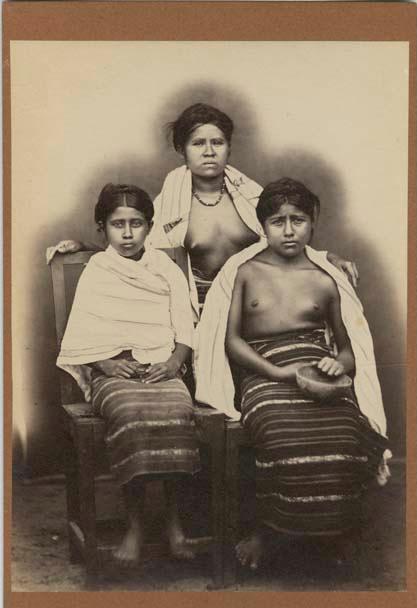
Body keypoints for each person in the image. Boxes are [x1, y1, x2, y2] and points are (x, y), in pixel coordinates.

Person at [199, 177, 390, 570]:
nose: (288, 230)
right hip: (263, 372)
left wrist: (338, 365)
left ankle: (334, 531)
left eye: (298, 220)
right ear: (262, 226)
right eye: (277, 222)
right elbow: (231, 341)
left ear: (312, 223)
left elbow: (347, 349)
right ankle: (269, 532)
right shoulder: (245, 272)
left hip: (317, 371)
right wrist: (278, 373)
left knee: (346, 428)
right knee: (278, 426)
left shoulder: (324, 279)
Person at [48, 103, 358, 319]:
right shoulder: (171, 203)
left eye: (218, 142)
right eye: (198, 143)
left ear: (228, 147)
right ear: (182, 149)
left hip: (258, 306)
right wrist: (84, 247)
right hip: (198, 312)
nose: (209, 151)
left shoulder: (252, 197)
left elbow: (289, 238)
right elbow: (134, 249)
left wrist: (330, 258)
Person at [57, 183, 200, 566]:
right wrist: (105, 363)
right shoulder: (97, 271)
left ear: (149, 227)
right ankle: (135, 524)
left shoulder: (164, 268)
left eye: (136, 224)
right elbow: (83, 332)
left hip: (161, 369)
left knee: (177, 412)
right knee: (132, 415)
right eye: (117, 224)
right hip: (113, 372)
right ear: (103, 227)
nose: (127, 233)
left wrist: (174, 362)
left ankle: (172, 522)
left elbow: (184, 327)